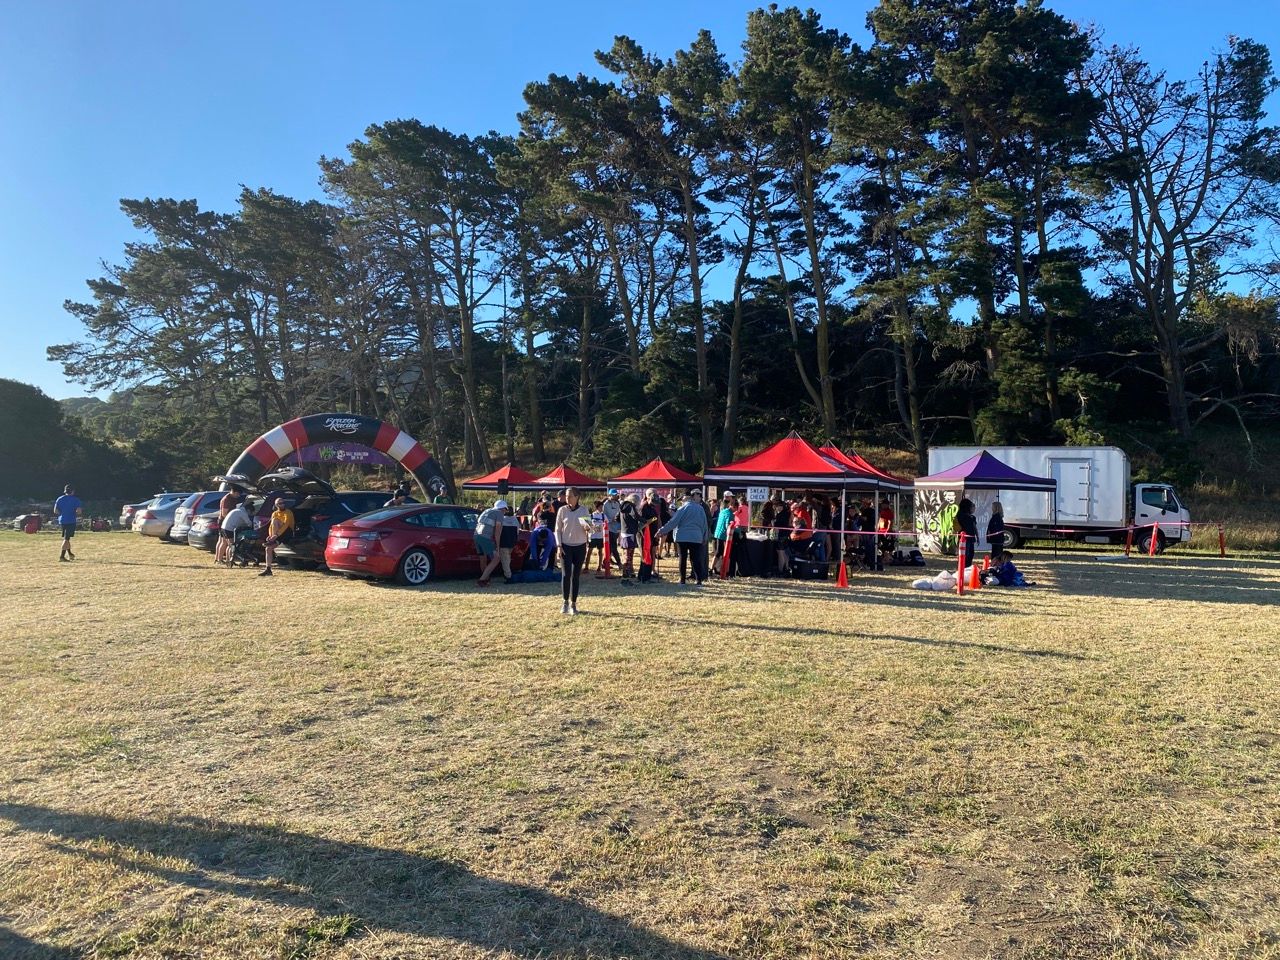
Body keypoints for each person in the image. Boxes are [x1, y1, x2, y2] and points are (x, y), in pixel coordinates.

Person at [658, 489, 710, 586]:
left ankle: (682, 581)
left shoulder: (682, 508)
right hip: (696, 537)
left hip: (682, 537)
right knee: (696, 559)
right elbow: (704, 525)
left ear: (685, 499)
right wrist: (704, 537)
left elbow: (673, 522)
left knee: (683, 558)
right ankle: (698, 581)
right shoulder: (700, 508)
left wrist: (661, 531)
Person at [554, 487, 591, 614]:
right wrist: (559, 546)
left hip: (580, 546)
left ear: (577, 497)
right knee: (566, 575)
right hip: (565, 546)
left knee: (576, 576)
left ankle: (573, 604)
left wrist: (588, 527)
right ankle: (565, 602)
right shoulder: (562, 510)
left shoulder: (584, 510)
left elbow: (590, 528)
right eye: (566, 496)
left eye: (570, 496)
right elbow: (558, 529)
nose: (567, 498)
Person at [475, 499, 508, 586]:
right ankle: (482, 580)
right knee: (497, 558)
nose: (505, 512)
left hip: (476, 535)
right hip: (485, 537)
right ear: (503, 508)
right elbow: (497, 532)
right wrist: (497, 546)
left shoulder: (487, 511)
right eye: (505, 510)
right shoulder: (499, 513)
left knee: (483, 558)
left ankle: (486, 579)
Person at [259, 499, 295, 577]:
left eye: (283, 503)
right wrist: (271, 535)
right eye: (280, 503)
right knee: (268, 549)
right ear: (276, 505)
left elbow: (286, 524)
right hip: (278, 534)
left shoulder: (288, 512)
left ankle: (273, 540)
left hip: (287, 532)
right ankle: (268, 569)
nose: (282, 505)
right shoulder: (274, 513)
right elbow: (271, 526)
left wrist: (276, 535)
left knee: (275, 520)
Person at [220, 499, 255, 565]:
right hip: (229, 529)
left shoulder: (237, 510)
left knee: (230, 545)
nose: (250, 514)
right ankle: (230, 560)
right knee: (232, 546)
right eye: (250, 513)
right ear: (248, 510)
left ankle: (229, 560)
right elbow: (249, 523)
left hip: (223, 527)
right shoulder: (243, 513)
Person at [214, 487, 243, 565]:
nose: (238, 496)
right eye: (237, 494)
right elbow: (224, 513)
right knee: (224, 542)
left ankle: (217, 559)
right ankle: (219, 560)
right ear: (233, 492)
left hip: (224, 521)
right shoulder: (226, 499)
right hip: (224, 521)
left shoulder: (232, 498)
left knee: (221, 541)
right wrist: (231, 519)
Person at [53, 484, 82, 562]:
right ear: (72, 491)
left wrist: (63, 513)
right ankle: (62, 556)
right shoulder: (76, 500)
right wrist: (74, 512)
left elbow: (55, 510)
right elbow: (79, 511)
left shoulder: (59, 499)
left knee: (67, 537)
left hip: (62, 520)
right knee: (66, 539)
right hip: (71, 521)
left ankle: (70, 554)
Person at [637, 489, 660, 583]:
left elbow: (656, 519)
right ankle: (644, 577)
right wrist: (652, 519)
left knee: (650, 555)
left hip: (652, 535)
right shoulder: (643, 507)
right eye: (653, 501)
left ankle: (645, 575)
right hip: (644, 535)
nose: (655, 504)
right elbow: (641, 524)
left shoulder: (652, 507)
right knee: (645, 555)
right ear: (648, 498)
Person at [712, 495, 735, 577]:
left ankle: (712, 569)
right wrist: (736, 529)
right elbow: (728, 525)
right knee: (727, 554)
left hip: (717, 533)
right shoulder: (729, 513)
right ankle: (726, 571)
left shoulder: (722, 511)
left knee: (718, 553)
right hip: (724, 536)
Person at [498, 503, 520, 583]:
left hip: (503, 542)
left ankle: (508, 576)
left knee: (505, 560)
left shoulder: (501, 519)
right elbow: (517, 532)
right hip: (512, 542)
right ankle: (508, 573)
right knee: (508, 559)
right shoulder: (515, 520)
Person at [619, 494, 640, 578]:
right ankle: (626, 573)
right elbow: (635, 516)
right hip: (630, 532)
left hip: (624, 532)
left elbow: (617, 517)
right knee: (629, 555)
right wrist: (644, 520)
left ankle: (629, 571)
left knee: (626, 554)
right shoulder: (631, 506)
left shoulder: (622, 506)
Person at [602, 489, 623, 571]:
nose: (615, 496)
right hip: (609, 528)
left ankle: (605, 562)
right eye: (613, 495)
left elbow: (620, 514)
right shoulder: (605, 504)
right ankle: (619, 563)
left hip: (616, 528)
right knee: (613, 547)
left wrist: (619, 523)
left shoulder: (617, 503)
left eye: (615, 494)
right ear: (609, 495)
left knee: (610, 548)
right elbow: (603, 516)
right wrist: (611, 520)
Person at [957, 497, 979, 568]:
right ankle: (964, 567)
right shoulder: (961, 515)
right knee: (965, 555)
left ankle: (967, 567)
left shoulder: (971, 517)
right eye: (971, 506)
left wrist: (977, 537)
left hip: (970, 538)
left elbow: (974, 527)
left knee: (970, 554)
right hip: (965, 539)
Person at [586, 499, 606, 572]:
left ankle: (599, 566)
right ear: (597, 508)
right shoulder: (590, 515)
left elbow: (606, 524)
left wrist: (602, 527)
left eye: (602, 507)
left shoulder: (604, 515)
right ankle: (586, 567)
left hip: (600, 537)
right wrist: (592, 528)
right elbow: (586, 527)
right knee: (589, 552)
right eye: (600, 507)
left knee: (600, 552)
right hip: (592, 536)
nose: (602, 509)